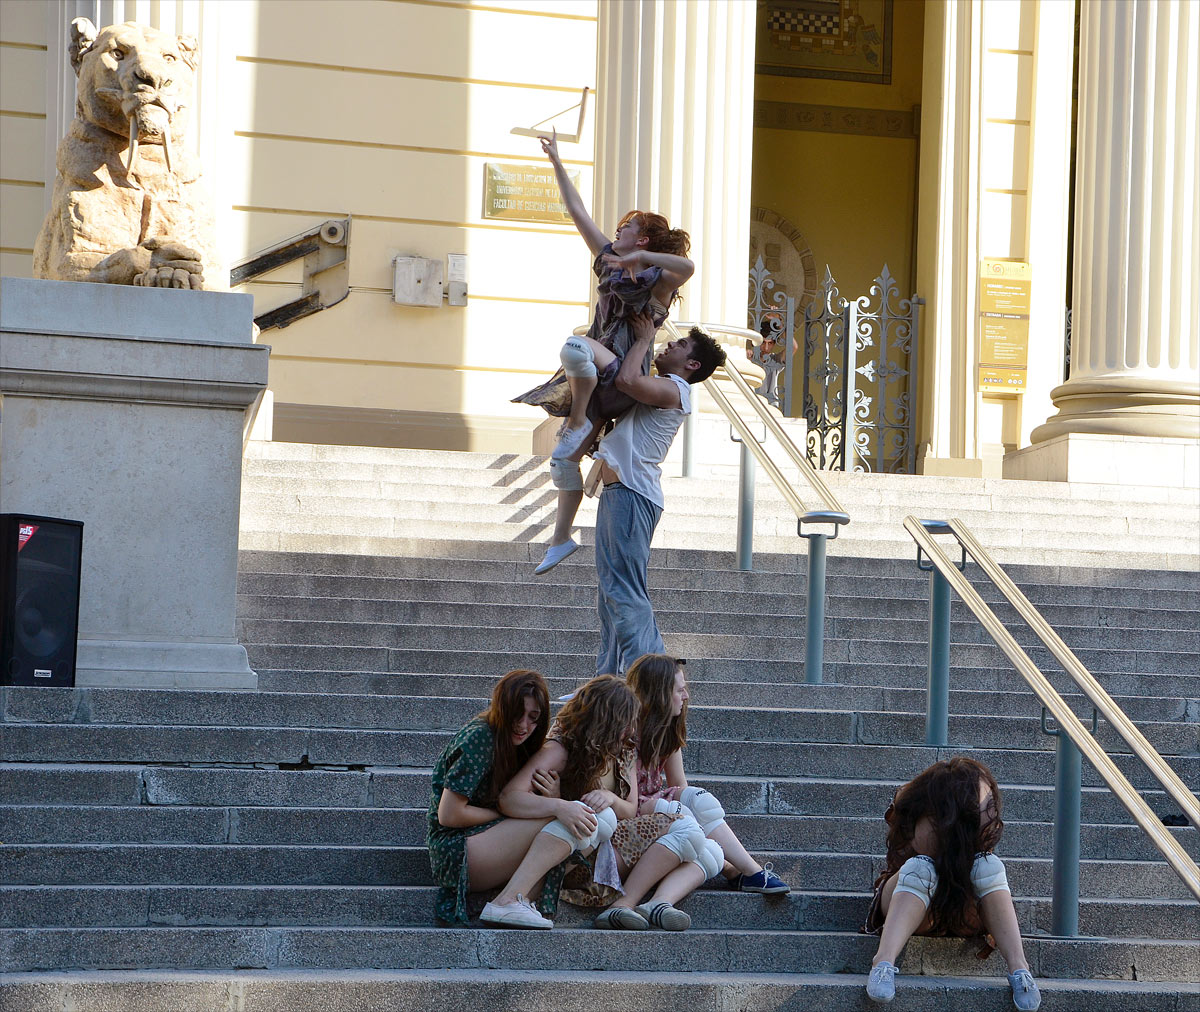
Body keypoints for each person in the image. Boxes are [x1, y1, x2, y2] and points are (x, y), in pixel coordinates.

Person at [511, 129, 695, 576]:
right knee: (561, 461)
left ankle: (577, 418)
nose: (617, 231)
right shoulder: (610, 257)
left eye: (626, 227)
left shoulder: (658, 278)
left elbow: (687, 266)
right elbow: (577, 213)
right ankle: (560, 538)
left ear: (645, 239)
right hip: (596, 377)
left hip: (615, 366)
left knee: (573, 346)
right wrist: (556, 162)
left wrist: (642, 264)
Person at [500, 674, 723, 931]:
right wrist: (559, 804)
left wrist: (611, 798)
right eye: (624, 723)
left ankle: (655, 904)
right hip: (581, 853)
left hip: (612, 841)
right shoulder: (562, 748)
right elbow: (509, 798)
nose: (630, 732)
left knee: (711, 850)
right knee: (687, 830)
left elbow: (630, 809)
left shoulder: (624, 750)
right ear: (606, 721)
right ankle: (624, 905)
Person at [591, 313, 725, 675]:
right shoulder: (666, 387)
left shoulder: (677, 389)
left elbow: (627, 379)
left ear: (692, 364)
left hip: (633, 494)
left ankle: (652, 679)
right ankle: (608, 680)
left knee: (623, 592)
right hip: (622, 492)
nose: (668, 344)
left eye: (679, 345)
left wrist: (642, 338)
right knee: (611, 595)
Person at [427, 669, 613, 928]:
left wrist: (553, 800)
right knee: (575, 814)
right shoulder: (480, 736)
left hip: (488, 841)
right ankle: (508, 902)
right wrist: (522, 811)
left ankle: (518, 898)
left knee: (593, 818)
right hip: (456, 850)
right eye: (517, 713)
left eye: (533, 717)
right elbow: (449, 814)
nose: (523, 725)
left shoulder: (525, 743)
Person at [863, 757, 1041, 1010]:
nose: (985, 806)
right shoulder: (923, 811)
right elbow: (910, 836)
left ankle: (1020, 969)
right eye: (979, 799)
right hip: (913, 902)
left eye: (987, 800)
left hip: (961, 909)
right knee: (921, 866)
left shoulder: (981, 826)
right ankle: (882, 963)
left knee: (988, 865)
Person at [625, 653, 791, 894]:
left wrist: (693, 808)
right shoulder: (625, 732)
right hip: (628, 813)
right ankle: (732, 869)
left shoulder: (667, 729)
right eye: (679, 690)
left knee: (700, 801)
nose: (686, 696)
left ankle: (752, 872)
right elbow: (625, 801)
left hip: (655, 809)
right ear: (658, 694)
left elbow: (680, 787)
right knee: (676, 811)